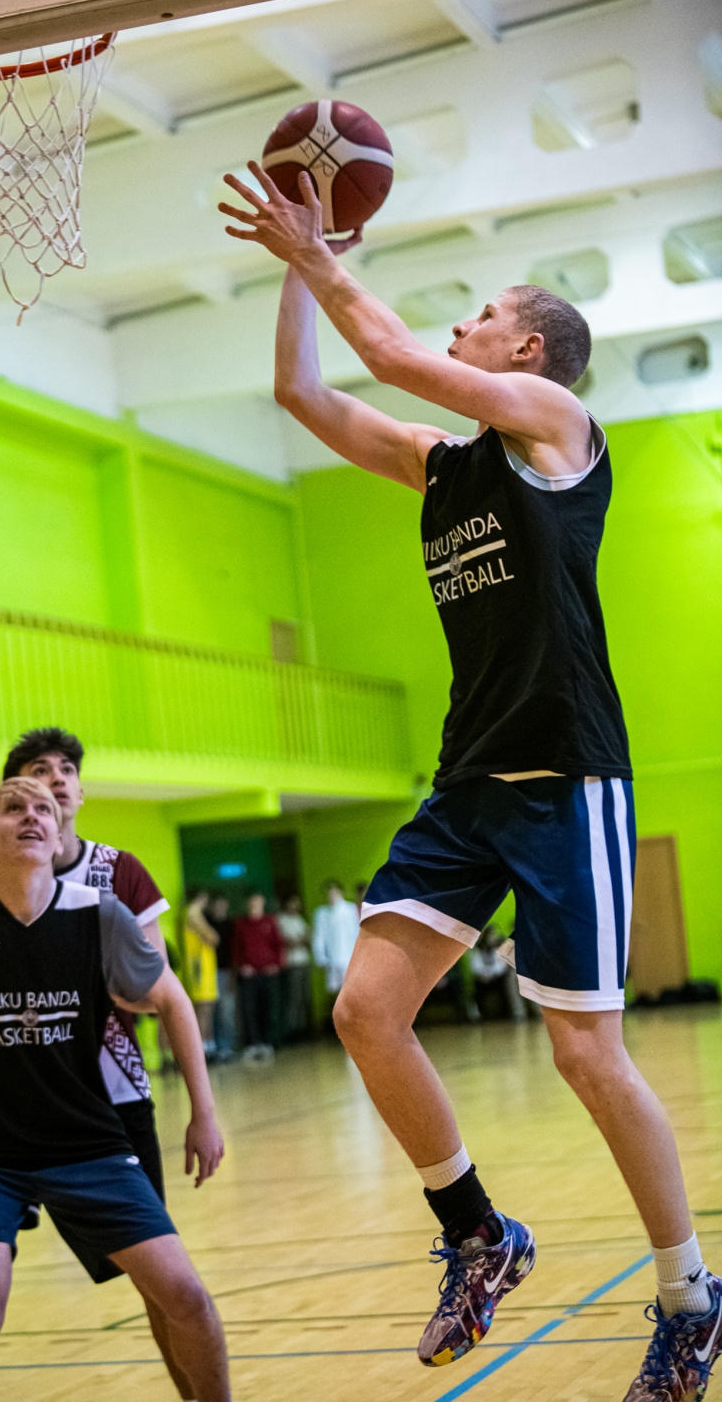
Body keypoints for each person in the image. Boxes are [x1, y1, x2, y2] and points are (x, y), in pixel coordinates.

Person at [218, 163, 721, 1401]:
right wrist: (299, 267)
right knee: (363, 1012)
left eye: (483, 313)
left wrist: (318, 249)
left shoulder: (556, 427)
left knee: (587, 1058)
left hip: (565, 776)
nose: (462, 323)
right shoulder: (443, 466)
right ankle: (479, 1232)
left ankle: (690, 1295)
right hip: (469, 784)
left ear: (529, 348)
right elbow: (302, 393)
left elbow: (389, 354)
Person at [0, 777, 230, 1402]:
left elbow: (171, 999)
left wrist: (204, 1113)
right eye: (14, 808)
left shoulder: (99, 916)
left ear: (58, 839)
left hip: (89, 1146)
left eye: (44, 810)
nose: (31, 815)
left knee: (187, 1296)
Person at [0, 726, 217, 1401]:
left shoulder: (117, 874)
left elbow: (155, 991)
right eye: (40, 771)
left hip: (108, 1102)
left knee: (162, 1283)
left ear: (79, 791)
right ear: (11, 796)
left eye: (67, 770)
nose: (57, 780)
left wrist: (80, 972)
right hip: (4, 1109)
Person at [232, 892, 284, 1061]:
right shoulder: (241, 924)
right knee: (249, 1009)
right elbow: (237, 948)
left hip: (268, 973)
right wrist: (241, 966)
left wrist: (276, 964)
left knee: (269, 1008)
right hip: (249, 975)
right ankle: (253, 1043)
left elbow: (279, 945)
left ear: (262, 903)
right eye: (252, 903)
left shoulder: (270, 921)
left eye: (257, 902)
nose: (254, 905)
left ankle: (268, 1042)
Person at [183, 889, 219, 1058]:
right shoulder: (192, 914)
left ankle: (208, 1045)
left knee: (207, 1009)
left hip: (205, 967)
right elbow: (214, 938)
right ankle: (201, 1049)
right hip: (199, 969)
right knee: (202, 1010)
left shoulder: (195, 915)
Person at [467, 925, 528, 1022]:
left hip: (498, 976)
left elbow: (501, 967)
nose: (493, 938)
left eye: (494, 935)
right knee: (476, 987)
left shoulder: (499, 948)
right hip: (483, 978)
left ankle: (510, 1013)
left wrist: (492, 974)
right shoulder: (477, 949)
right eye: (491, 935)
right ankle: (480, 1015)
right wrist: (485, 974)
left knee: (506, 982)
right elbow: (475, 966)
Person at [312, 882, 360, 999]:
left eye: (334, 893)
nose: (331, 896)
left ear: (340, 892)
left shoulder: (350, 909)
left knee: (352, 990)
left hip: (349, 956)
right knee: (336, 992)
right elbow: (319, 936)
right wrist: (320, 956)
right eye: (329, 894)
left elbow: (356, 932)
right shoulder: (321, 913)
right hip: (332, 958)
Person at [206, 894, 237, 1060]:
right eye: (216, 905)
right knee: (211, 1013)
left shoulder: (232, 926)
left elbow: (235, 951)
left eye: (222, 905)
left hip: (226, 972)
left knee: (226, 1012)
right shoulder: (206, 924)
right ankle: (214, 1048)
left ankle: (226, 1048)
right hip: (208, 973)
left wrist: (233, 974)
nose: (219, 908)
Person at [277, 894, 312, 1041]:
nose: (295, 906)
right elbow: (286, 941)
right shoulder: (281, 920)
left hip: (304, 961)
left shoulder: (299, 919)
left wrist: (301, 940)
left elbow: (309, 937)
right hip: (292, 964)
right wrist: (298, 940)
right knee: (293, 998)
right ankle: (292, 1030)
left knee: (304, 997)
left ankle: (304, 1029)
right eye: (293, 903)